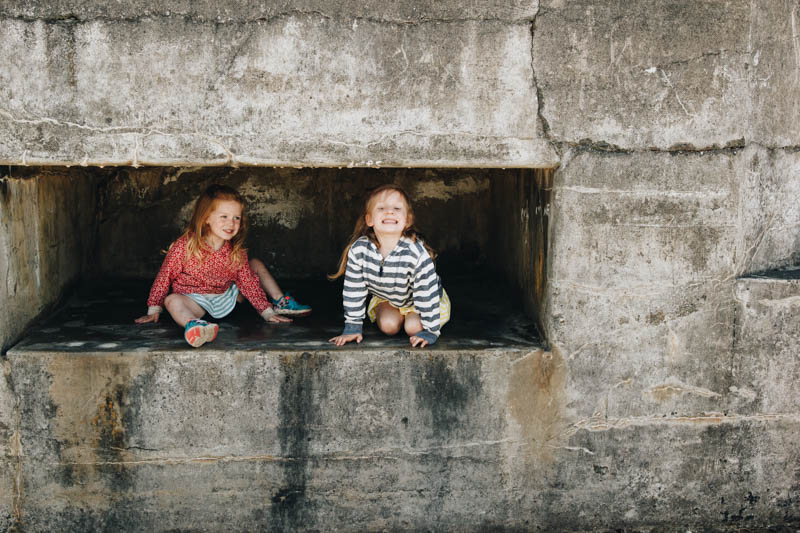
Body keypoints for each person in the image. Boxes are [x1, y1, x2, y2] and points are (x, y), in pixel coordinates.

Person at [135, 184, 311, 347]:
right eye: (224, 217)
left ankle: (280, 302)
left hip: (226, 297)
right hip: (195, 301)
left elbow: (247, 282)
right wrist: (154, 307)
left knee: (254, 265)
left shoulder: (236, 250)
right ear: (206, 219)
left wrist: (266, 312)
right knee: (171, 301)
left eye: (236, 218)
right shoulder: (185, 245)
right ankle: (195, 325)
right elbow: (165, 275)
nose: (231, 223)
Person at [328, 184, 449, 348]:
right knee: (388, 326)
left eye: (397, 208)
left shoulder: (415, 253)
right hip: (389, 298)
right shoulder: (360, 250)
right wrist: (353, 327)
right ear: (369, 219)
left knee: (413, 328)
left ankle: (414, 319)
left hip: (425, 300)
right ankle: (398, 315)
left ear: (408, 220)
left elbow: (426, 293)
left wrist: (431, 330)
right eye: (382, 208)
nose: (389, 211)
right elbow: (354, 290)